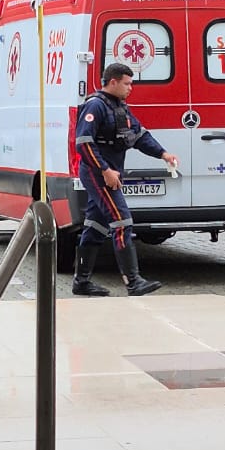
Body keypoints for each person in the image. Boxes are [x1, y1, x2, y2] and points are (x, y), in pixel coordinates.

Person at [72, 62, 179, 296]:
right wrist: (105, 170)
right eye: (127, 84)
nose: (131, 88)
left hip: (111, 171)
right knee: (122, 221)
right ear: (113, 82)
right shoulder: (95, 106)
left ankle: (81, 282)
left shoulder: (119, 107)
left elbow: (139, 136)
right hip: (98, 173)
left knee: (95, 226)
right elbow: (83, 143)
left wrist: (163, 154)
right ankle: (133, 281)